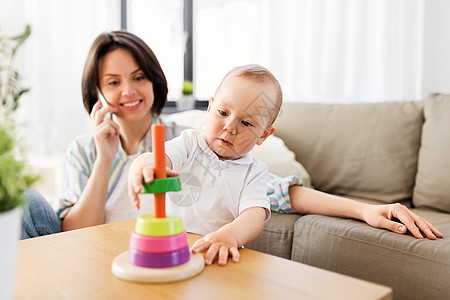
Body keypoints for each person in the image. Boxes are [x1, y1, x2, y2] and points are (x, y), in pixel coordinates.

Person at [21, 30, 442, 251]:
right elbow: (70, 233)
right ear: (97, 91)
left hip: (157, 252)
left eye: (138, 77)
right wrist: (110, 158)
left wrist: (365, 209)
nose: (128, 91)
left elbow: (274, 193)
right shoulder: (85, 149)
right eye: (112, 82)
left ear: (154, 79)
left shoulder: (187, 139)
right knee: (26, 203)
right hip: (86, 244)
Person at [128, 64, 281, 266]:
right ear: (209, 108)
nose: (230, 127)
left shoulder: (254, 172)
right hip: (172, 247)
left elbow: (254, 215)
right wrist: (143, 165)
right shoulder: (190, 143)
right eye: (223, 112)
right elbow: (161, 157)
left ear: (263, 135)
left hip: (216, 254)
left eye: (246, 123)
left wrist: (230, 236)